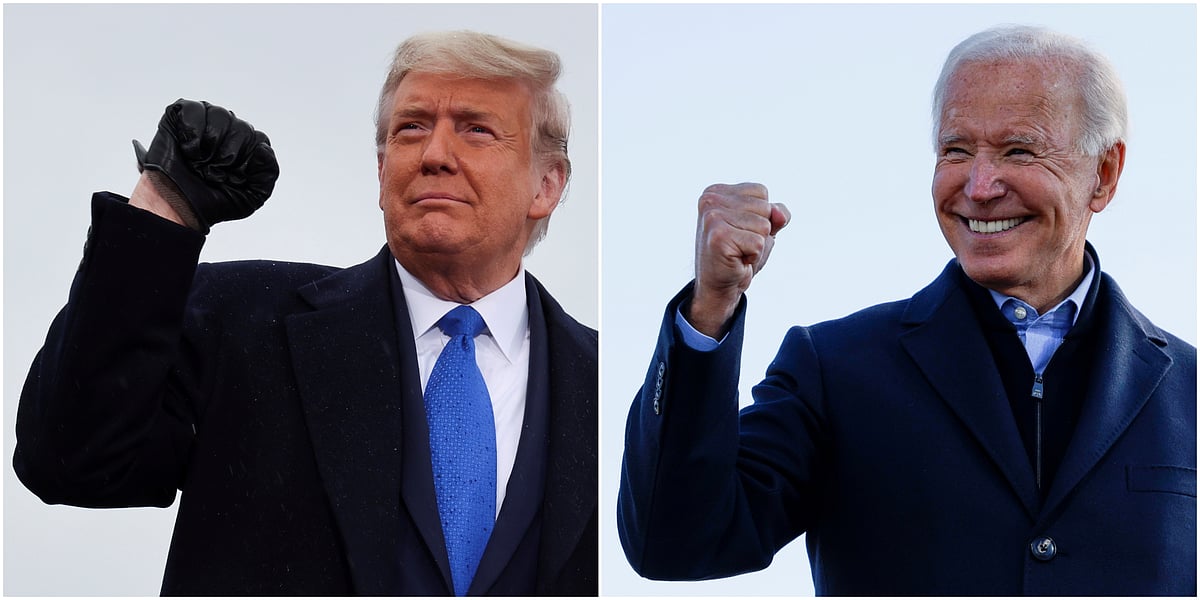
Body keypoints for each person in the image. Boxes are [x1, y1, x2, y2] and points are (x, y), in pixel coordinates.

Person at [617, 24, 1195, 595]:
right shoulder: (836, 370)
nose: (980, 184)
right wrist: (710, 307)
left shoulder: (1189, 392)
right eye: (956, 150)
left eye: (1019, 150)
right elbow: (674, 543)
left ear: (1105, 174)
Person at [14, 30, 596, 596]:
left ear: (547, 185)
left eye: (476, 130)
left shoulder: (609, 382)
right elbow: (69, 461)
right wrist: (165, 208)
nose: (434, 154)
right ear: (381, 170)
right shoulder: (243, 320)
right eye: (411, 128)